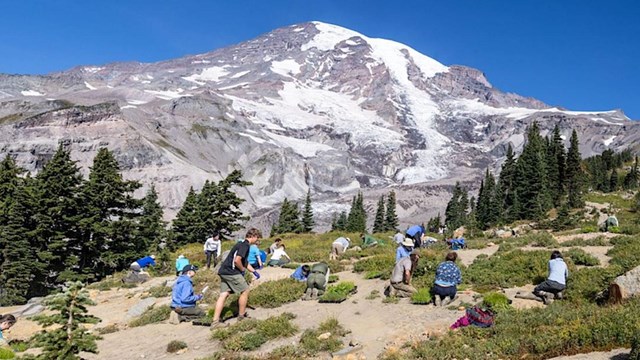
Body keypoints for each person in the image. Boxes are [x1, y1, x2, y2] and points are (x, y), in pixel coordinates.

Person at [211, 228, 262, 328]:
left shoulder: (240, 244)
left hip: (223, 271)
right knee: (245, 290)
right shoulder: (245, 245)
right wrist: (242, 270)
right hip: (231, 272)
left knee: (224, 295)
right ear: (253, 236)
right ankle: (241, 317)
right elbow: (237, 260)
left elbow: (244, 262)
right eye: (257, 238)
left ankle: (215, 322)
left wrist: (254, 271)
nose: (257, 240)